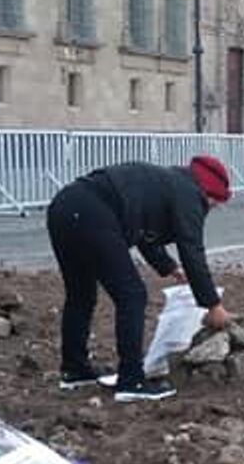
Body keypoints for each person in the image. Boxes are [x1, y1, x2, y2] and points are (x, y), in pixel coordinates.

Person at [47, 156, 234, 401]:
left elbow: (144, 231)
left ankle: (75, 370)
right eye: (215, 203)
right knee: (132, 295)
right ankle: (132, 380)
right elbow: (192, 250)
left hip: (65, 207)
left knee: (81, 294)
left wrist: (168, 266)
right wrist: (213, 305)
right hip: (93, 212)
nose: (212, 208)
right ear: (209, 191)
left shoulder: (169, 182)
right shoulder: (190, 195)